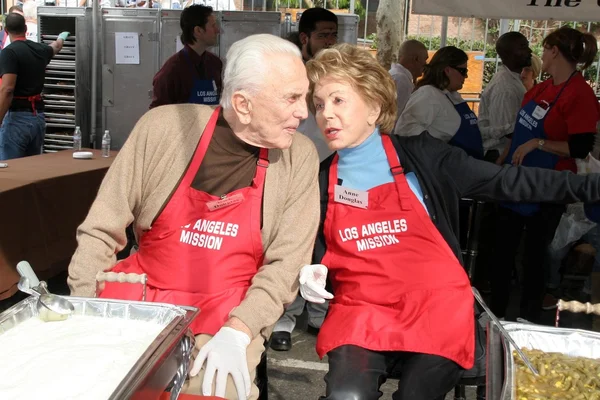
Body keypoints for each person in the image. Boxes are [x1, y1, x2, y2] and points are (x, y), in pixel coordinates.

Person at [298, 43, 600, 400]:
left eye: (338, 100)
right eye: (318, 105)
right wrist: (311, 269)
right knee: (346, 395)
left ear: (374, 107)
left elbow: (507, 181)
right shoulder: (320, 180)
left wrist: (590, 186)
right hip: (363, 310)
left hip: (436, 306)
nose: (326, 115)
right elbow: (312, 246)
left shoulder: (425, 156)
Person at [67, 34, 319, 400]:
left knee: (218, 390)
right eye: (291, 98)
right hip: (142, 300)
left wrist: (240, 329)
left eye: (304, 96)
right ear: (243, 105)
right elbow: (99, 230)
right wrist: (85, 311)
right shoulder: (162, 129)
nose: (304, 112)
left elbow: (287, 263)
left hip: (229, 308)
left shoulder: (299, 157)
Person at [491, 27, 600, 322]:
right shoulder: (543, 87)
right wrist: (504, 157)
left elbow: (580, 147)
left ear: (553, 51)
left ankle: (526, 319)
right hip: (516, 181)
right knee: (502, 251)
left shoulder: (580, 94)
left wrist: (538, 144)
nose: (539, 54)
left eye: (543, 48)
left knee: (534, 257)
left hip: (549, 185)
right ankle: (493, 316)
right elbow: (526, 123)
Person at [269, 7, 337, 352]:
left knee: (323, 243)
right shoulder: (287, 72)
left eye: (334, 34)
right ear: (305, 38)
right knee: (289, 242)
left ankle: (319, 313)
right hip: (289, 164)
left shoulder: (339, 73)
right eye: (323, 34)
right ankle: (284, 316)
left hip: (329, 167)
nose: (330, 40)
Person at [394, 46, 484, 159]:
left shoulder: (453, 96)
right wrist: (442, 153)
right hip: (444, 169)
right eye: (463, 71)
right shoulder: (428, 94)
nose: (465, 76)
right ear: (447, 70)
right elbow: (405, 131)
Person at [0, 14, 67, 160]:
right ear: (25, 28)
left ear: (6, 30)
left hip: (17, 120)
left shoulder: (9, 53)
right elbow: (56, 46)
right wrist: (62, 37)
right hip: (38, 118)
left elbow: (7, 89)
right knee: (32, 168)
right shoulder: (40, 49)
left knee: (10, 170)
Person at [150, 5, 222, 108]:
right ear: (198, 31)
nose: (218, 30)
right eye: (213, 25)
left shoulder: (215, 63)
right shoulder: (171, 71)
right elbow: (157, 114)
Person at [478, 32, 532, 163]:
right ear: (508, 53)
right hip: (500, 156)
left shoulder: (513, 80)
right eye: (523, 47)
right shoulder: (505, 88)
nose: (529, 51)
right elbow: (506, 131)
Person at [388, 39, 428, 118]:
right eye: (425, 59)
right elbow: (397, 118)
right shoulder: (401, 80)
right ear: (415, 59)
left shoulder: (399, 76)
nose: (426, 64)